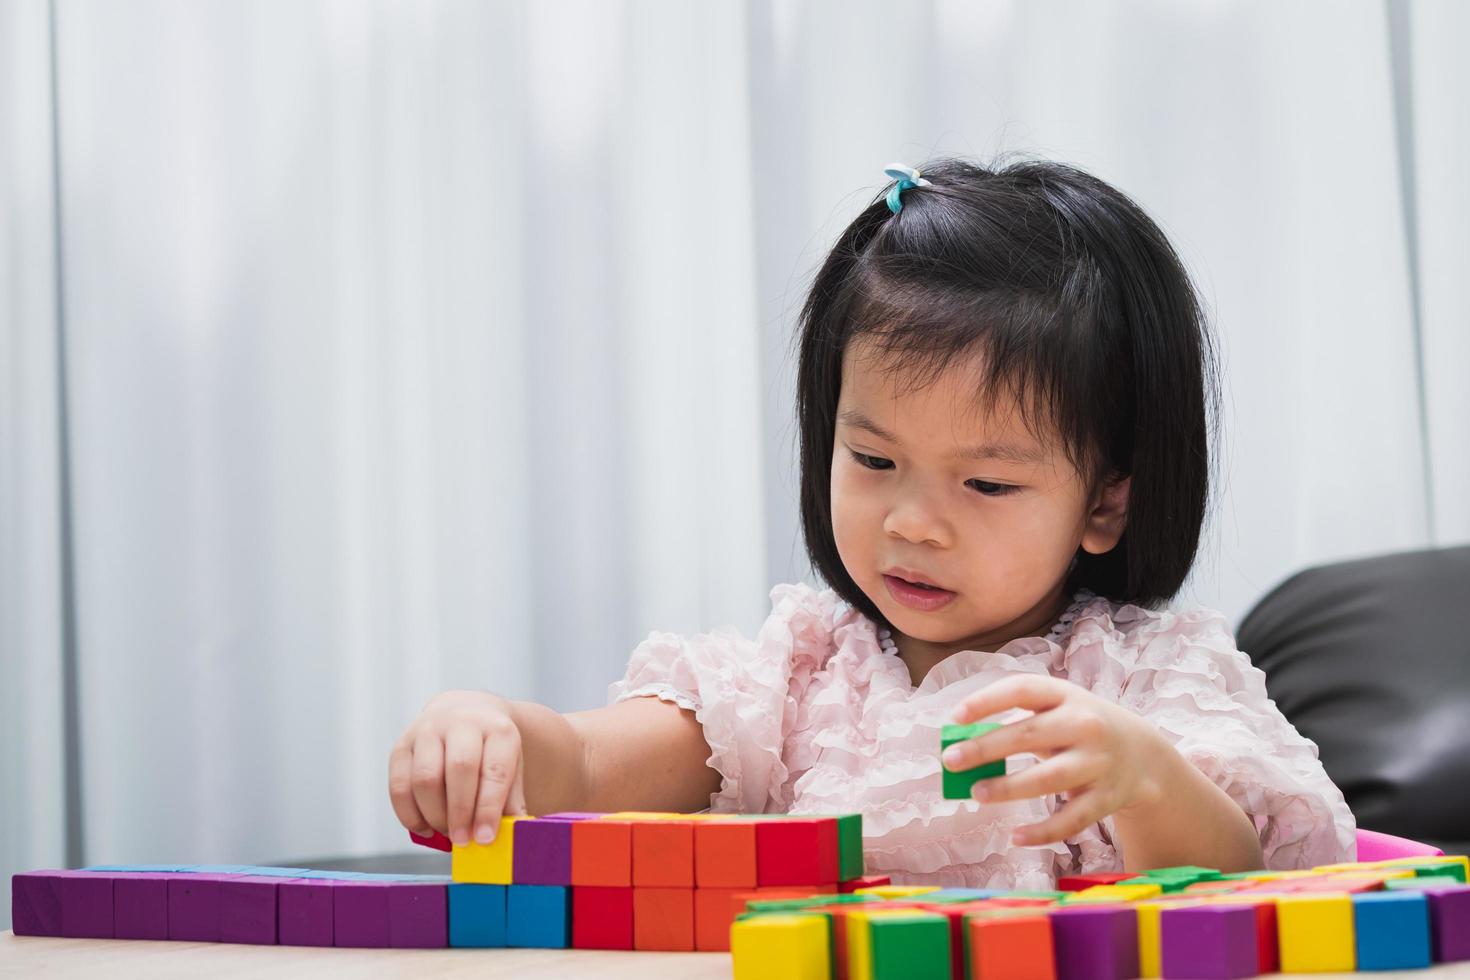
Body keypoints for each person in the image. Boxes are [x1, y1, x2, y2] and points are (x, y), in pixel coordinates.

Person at [387, 156, 1355, 888]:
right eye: (874, 460)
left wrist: (1146, 781)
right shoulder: (797, 672)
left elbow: (1252, 879)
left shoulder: (1150, 677)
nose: (913, 522)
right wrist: (492, 729)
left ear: (1108, 500)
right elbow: (593, 762)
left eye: (986, 483)